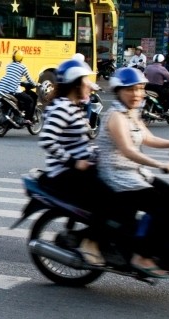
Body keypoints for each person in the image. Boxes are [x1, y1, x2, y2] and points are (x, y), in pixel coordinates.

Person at [96, 67, 169, 278]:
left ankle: (154, 245)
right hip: (117, 175)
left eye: (140, 89)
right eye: (130, 90)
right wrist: (160, 165)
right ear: (119, 92)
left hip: (134, 172)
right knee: (164, 205)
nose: (137, 94)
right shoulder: (115, 116)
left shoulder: (132, 113)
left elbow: (149, 138)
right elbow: (128, 151)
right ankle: (141, 255)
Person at [37, 59, 109, 265]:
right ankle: (90, 242)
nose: (89, 85)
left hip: (80, 168)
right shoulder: (62, 107)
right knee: (109, 198)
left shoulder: (74, 106)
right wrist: (73, 162)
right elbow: (47, 140)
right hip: (65, 173)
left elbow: (81, 143)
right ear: (75, 84)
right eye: (85, 80)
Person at [0, 49, 37, 124]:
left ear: (13, 57)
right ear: (21, 58)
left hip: (1, 88)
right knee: (30, 100)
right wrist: (35, 84)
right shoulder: (23, 67)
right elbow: (29, 79)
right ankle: (27, 119)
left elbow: (12, 76)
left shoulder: (9, 65)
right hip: (13, 90)